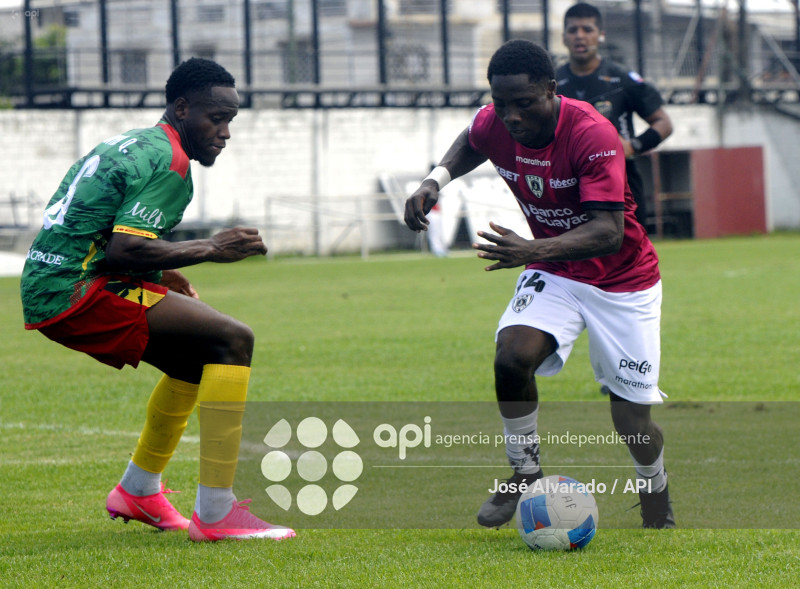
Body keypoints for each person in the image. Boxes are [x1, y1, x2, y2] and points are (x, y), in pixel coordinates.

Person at [20, 57, 295, 542]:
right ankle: (217, 513)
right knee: (233, 340)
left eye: (230, 120)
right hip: (76, 289)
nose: (225, 133)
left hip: (53, 280)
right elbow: (124, 250)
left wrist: (164, 271)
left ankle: (139, 491)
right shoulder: (171, 162)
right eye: (216, 118)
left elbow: (102, 232)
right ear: (182, 109)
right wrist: (211, 247)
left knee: (193, 360)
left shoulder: (131, 143)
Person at [404, 40, 675, 529]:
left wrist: (531, 250)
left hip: (623, 280)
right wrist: (434, 181)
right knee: (512, 356)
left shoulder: (592, 134)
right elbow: (472, 137)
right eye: (501, 103)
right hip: (556, 269)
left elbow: (609, 232)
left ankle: (655, 491)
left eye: (523, 103)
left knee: (630, 420)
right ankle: (525, 472)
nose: (510, 116)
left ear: (551, 90)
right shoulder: (496, 121)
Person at [556, 2, 672, 233]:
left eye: (587, 29)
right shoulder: (552, 82)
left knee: (631, 249)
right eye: (573, 30)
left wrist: (633, 145)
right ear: (564, 38)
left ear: (601, 35)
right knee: (573, 249)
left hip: (620, 179)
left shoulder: (622, 78)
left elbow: (664, 123)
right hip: (569, 183)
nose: (580, 36)